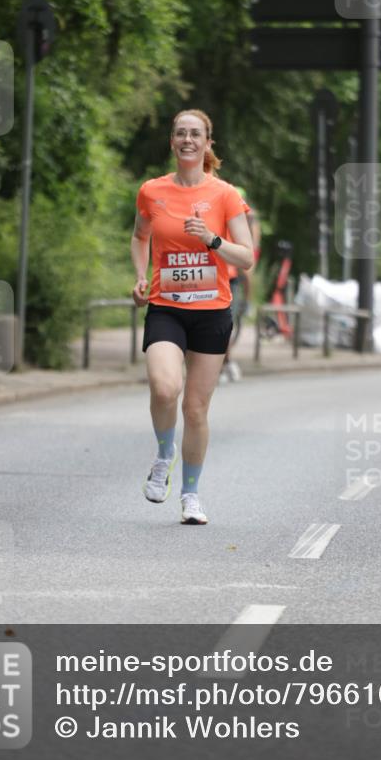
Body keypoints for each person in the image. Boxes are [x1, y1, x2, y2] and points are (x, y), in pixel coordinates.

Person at [131, 109, 254, 524]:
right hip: (166, 307)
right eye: (180, 133)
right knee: (165, 389)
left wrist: (213, 239)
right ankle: (165, 453)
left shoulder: (225, 195)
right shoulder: (151, 191)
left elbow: (248, 256)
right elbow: (139, 236)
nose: (187, 140)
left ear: (207, 143)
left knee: (196, 409)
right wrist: (138, 276)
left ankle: (190, 496)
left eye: (195, 134)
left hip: (211, 312)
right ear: (172, 142)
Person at [220, 185, 262, 384]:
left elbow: (249, 265)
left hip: (232, 278)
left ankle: (225, 363)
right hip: (216, 278)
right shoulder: (221, 218)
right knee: (219, 326)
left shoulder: (246, 224)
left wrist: (248, 298)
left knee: (225, 325)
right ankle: (225, 363)